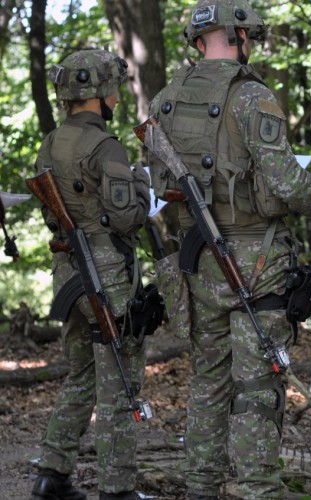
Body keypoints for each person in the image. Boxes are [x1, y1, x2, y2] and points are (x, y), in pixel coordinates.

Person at [145, 1, 311, 498]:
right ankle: (256, 488)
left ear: (199, 41)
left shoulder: (164, 101)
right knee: (256, 387)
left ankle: (201, 484)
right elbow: (288, 184)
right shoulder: (252, 98)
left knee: (208, 379)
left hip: (200, 263)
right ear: (239, 37)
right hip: (257, 262)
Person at [30, 49, 152, 500]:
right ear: (99, 94)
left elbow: (51, 213)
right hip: (106, 275)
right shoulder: (106, 147)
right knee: (120, 380)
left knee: (81, 374)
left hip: (68, 273)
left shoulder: (49, 143)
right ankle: (117, 489)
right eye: (113, 90)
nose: (117, 98)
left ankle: (52, 473)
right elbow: (126, 219)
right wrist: (141, 184)